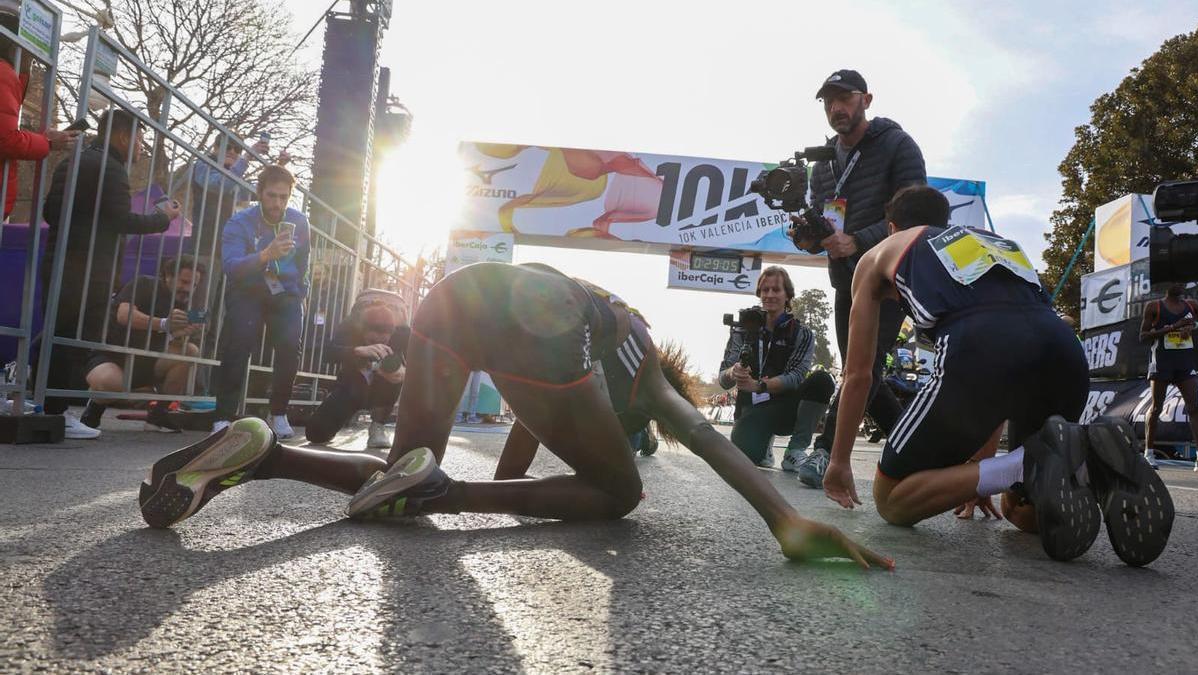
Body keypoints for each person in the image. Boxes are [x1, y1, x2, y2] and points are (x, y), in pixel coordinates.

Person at [139, 262, 892, 570]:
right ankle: (433, 490)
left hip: (455, 296)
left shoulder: (604, 341)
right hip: (545, 321)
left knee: (406, 473)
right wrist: (783, 521)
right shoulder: (646, 375)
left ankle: (266, 454)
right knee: (622, 493)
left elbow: (531, 432)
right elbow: (697, 431)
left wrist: (482, 492)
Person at [815, 184, 1173, 567]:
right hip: (1061, 349)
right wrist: (980, 475)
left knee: (892, 501)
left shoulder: (877, 255)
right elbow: (1008, 362)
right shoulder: (990, 240)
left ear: (891, 228)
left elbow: (859, 374)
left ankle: (1024, 464)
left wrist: (838, 461)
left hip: (979, 345)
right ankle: (1093, 458)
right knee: (1023, 514)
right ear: (946, 223)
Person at [785, 69, 927, 489]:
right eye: (828, 102)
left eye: (844, 98)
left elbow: (916, 210)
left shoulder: (897, 144)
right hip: (844, 280)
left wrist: (859, 241)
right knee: (859, 372)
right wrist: (811, 238)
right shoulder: (822, 164)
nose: (835, 109)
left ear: (866, 99)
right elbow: (828, 223)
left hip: (887, 276)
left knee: (858, 370)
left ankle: (825, 450)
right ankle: (918, 449)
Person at [42, 108, 183, 439]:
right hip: (90, 267)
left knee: (56, 334)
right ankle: (56, 414)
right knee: (75, 339)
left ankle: (47, 409)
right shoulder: (111, 168)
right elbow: (122, 220)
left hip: (60, 258)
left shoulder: (73, 161)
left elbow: (51, 211)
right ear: (123, 137)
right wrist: (162, 217)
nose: (140, 148)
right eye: (139, 140)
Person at [211, 164, 309, 438]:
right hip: (248, 288)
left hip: (285, 291)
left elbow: (304, 263)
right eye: (271, 196)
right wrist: (265, 254)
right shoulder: (239, 222)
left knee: (290, 346)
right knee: (238, 342)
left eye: (284, 197)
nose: (278, 203)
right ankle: (223, 416)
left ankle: (278, 412)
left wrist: (302, 292)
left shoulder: (300, 221)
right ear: (259, 192)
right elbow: (231, 266)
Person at [716, 266, 835, 471]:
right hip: (752, 409)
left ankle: (795, 450)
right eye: (765, 290)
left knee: (823, 380)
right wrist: (733, 372)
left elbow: (797, 376)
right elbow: (723, 379)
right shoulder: (742, 328)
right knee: (746, 457)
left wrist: (759, 386)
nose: (769, 295)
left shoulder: (802, 333)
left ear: (787, 295)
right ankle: (763, 445)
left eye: (776, 290)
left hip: (787, 406)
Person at [78, 256, 207, 432]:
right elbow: (124, 315)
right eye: (184, 282)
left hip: (149, 359)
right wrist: (163, 323)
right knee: (109, 382)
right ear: (168, 276)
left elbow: (179, 337)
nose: (188, 289)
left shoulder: (190, 302)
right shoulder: (144, 283)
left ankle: (159, 415)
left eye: (194, 285)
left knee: (190, 351)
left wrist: (181, 333)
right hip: (112, 355)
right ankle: (94, 410)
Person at [0, 8, 79, 218]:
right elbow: (6, 139)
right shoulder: (4, 74)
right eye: (29, 50)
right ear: (14, 46)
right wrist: (48, 143)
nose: (32, 58)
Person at [304, 297, 409, 449]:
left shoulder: (403, 333)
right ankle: (343, 414)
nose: (379, 341)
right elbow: (327, 353)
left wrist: (403, 373)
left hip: (385, 388)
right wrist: (357, 350)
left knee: (395, 372)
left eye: (385, 337)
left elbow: (421, 365)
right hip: (352, 386)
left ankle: (378, 425)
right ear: (362, 329)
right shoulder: (349, 326)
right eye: (372, 338)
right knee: (316, 434)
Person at [1138, 284, 1198, 469]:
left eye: (1181, 283)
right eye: (1174, 283)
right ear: (1167, 286)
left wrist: (1192, 327)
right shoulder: (1154, 306)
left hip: (1184, 362)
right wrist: (1173, 327)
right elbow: (1143, 336)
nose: (1179, 286)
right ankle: (1149, 454)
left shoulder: (1192, 305)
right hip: (1162, 362)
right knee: (1156, 408)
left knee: (1195, 407)